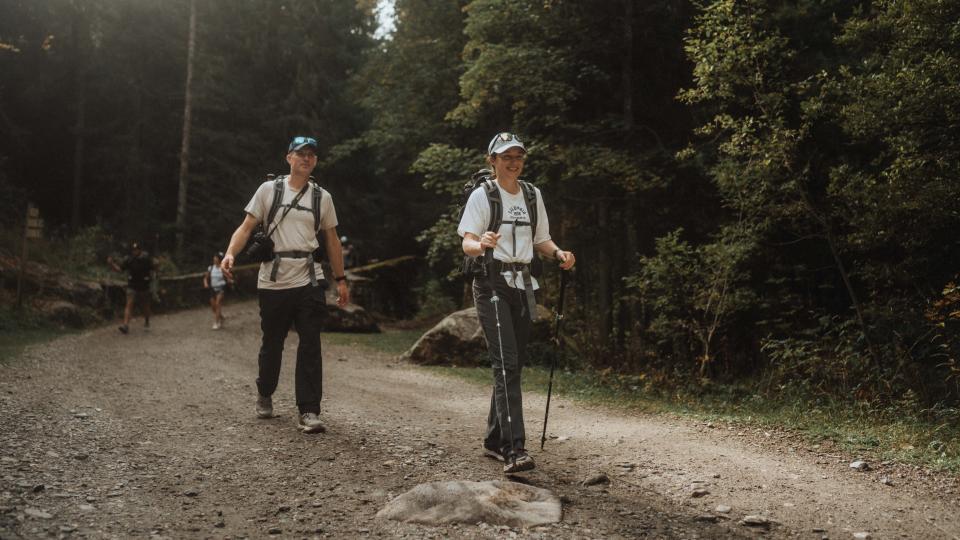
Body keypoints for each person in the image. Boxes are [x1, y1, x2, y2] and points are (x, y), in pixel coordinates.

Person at [458, 132, 576, 473]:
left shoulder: (531, 193)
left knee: (514, 365)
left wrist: (558, 253)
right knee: (506, 364)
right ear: (491, 160)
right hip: (491, 283)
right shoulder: (483, 196)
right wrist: (481, 244)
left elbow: (541, 239)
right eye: (505, 156)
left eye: (517, 156)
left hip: (524, 286)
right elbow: (466, 241)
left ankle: (494, 440)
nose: (513, 162)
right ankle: (514, 450)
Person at [220, 135, 350, 434]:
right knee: (273, 344)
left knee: (310, 344)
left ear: (315, 161)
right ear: (288, 157)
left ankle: (309, 411)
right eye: (300, 153)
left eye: (312, 155)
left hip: (309, 276)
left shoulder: (322, 198)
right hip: (274, 281)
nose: (306, 158)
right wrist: (230, 254)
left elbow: (331, 240)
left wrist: (341, 280)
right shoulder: (268, 190)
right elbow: (246, 227)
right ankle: (265, 392)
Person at [107, 241, 158, 334]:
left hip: (144, 286)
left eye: (137, 250)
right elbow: (119, 270)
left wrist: (156, 264)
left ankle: (147, 320)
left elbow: (154, 268)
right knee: (129, 304)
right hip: (132, 285)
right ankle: (125, 325)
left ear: (140, 250)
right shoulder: (129, 260)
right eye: (133, 250)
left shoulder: (146, 259)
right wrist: (111, 264)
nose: (135, 251)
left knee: (145, 306)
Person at [203, 252, 233, 330]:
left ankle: (217, 322)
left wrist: (229, 279)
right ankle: (221, 317)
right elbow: (205, 278)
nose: (214, 259)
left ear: (219, 259)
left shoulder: (222, 268)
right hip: (213, 288)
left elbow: (229, 276)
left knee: (218, 303)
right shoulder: (211, 268)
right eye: (214, 258)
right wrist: (206, 283)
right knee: (213, 306)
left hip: (221, 288)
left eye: (216, 258)